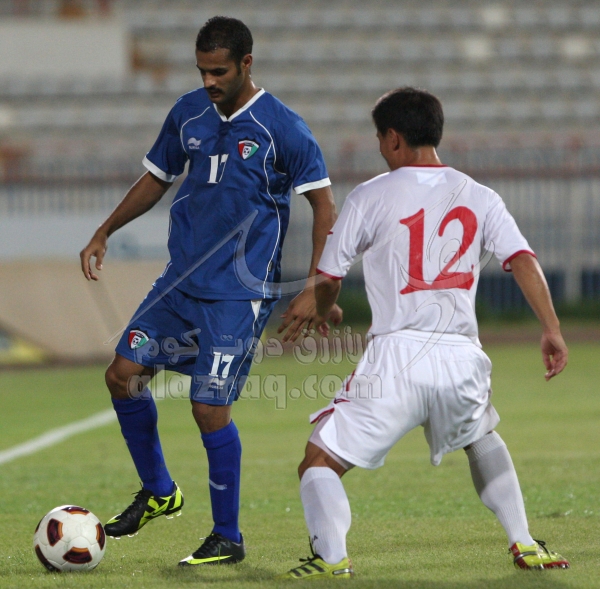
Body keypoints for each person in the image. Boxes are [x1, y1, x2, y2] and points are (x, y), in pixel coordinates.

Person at [279, 87, 570, 580]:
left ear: (393, 138)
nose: (379, 147)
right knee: (480, 435)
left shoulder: (370, 194)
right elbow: (522, 259)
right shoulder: (481, 195)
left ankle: (331, 559)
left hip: (396, 355)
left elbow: (328, 280)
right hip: (461, 355)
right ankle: (524, 541)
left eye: (379, 138)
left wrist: (324, 308)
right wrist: (552, 330)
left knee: (318, 462)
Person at [80, 16, 340, 567]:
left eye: (219, 71)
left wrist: (317, 284)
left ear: (247, 64)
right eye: (202, 70)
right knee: (122, 376)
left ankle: (228, 536)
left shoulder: (282, 127)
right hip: (180, 284)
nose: (209, 81)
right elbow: (157, 177)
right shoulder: (188, 112)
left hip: (237, 295)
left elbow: (323, 204)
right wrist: (105, 230)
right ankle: (160, 492)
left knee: (208, 407)